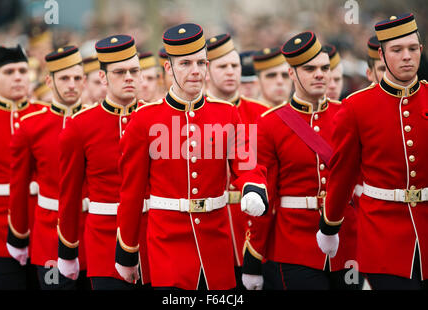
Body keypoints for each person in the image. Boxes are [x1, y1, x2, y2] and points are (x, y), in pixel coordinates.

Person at [115, 23, 268, 290]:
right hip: (167, 241)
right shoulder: (144, 119)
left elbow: (247, 162)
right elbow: (132, 192)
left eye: (201, 63)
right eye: (185, 64)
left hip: (215, 240)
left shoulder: (228, 113)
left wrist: (253, 187)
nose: (195, 71)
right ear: (168, 68)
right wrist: (127, 251)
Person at [318, 13, 428, 290]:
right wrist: (330, 225)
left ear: (421, 51)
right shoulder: (357, 107)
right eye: (397, 50)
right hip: (383, 235)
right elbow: (342, 174)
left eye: (412, 49)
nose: (406, 57)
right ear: (381, 54)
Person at [242, 31, 357, 290]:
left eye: (325, 68)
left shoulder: (348, 114)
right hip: (294, 246)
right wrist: (254, 257)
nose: (320, 74)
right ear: (292, 73)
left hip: (348, 242)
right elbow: (265, 192)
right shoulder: (270, 123)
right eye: (310, 69)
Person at [57, 35, 147, 290]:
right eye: (120, 72)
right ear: (103, 78)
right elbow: (70, 195)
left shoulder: (155, 117)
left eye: (134, 71)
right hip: (104, 241)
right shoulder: (80, 126)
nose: (129, 77)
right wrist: (68, 250)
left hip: (152, 236)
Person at [7, 46, 89, 290]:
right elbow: (19, 185)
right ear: (48, 81)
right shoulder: (31, 127)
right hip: (48, 234)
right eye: (64, 78)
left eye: (76, 78)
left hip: (90, 233)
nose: (71, 85)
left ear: (84, 80)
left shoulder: (94, 121)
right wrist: (18, 235)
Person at [205, 33, 270, 289]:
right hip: (213, 225)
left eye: (235, 66)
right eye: (222, 66)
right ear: (207, 71)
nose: (231, 72)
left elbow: (266, 179)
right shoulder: (194, 116)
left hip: (252, 222)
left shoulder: (261, 114)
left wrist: (255, 252)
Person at [0, 45, 46, 290]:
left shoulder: (46, 116)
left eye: (22, 70)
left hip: (42, 231)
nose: (18, 76)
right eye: (9, 72)